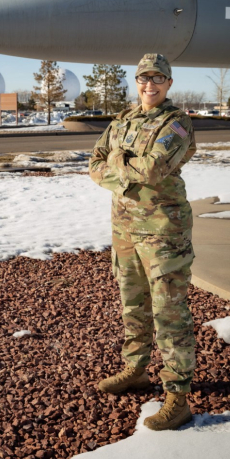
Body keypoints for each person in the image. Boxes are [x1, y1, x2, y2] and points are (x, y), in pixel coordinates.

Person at [89, 53, 196, 431]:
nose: (149, 85)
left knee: (169, 312)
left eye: (157, 78)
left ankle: (178, 397)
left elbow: (153, 169)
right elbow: (93, 164)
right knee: (132, 303)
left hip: (164, 231)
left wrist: (117, 164)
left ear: (168, 83)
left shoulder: (177, 124)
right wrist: (123, 167)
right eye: (143, 78)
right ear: (136, 82)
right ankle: (135, 369)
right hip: (125, 229)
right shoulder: (122, 120)